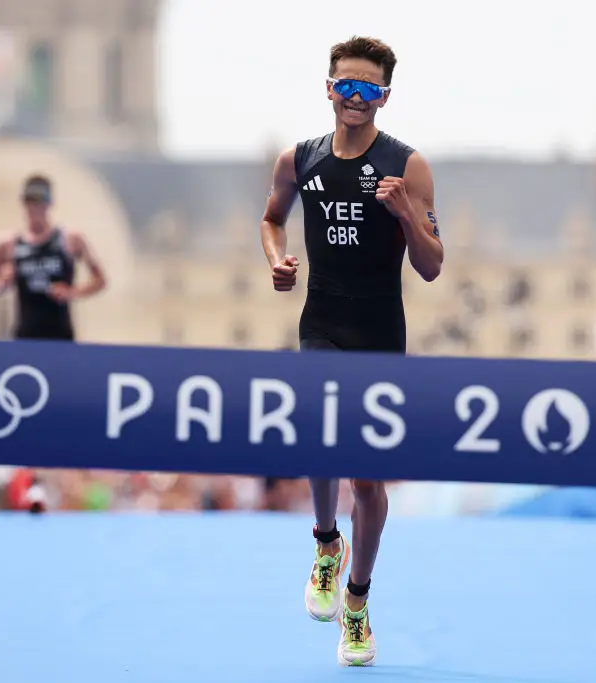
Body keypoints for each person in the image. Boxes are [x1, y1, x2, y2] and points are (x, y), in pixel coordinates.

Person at [259, 36, 444, 667]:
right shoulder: (300, 159)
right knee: (317, 438)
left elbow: (432, 267)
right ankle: (324, 543)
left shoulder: (407, 166)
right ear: (329, 88)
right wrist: (277, 261)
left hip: (380, 334)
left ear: (384, 97)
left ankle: (358, 603)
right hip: (322, 323)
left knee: (368, 478)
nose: (356, 97)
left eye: (369, 89)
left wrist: (405, 215)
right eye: (347, 85)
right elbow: (270, 218)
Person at [0, 174, 107, 512]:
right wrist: (0, 283)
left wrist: (73, 293)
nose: (35, 210)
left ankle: (64, 487)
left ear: (49, 205)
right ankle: (33, 485)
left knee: (61, 412)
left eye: (40, 204)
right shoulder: (9, 243)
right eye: (30, 204)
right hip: (25, 338)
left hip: (61, 339)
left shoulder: (70, 239)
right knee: (25, 412)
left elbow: (100, 278)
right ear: (24, 206)